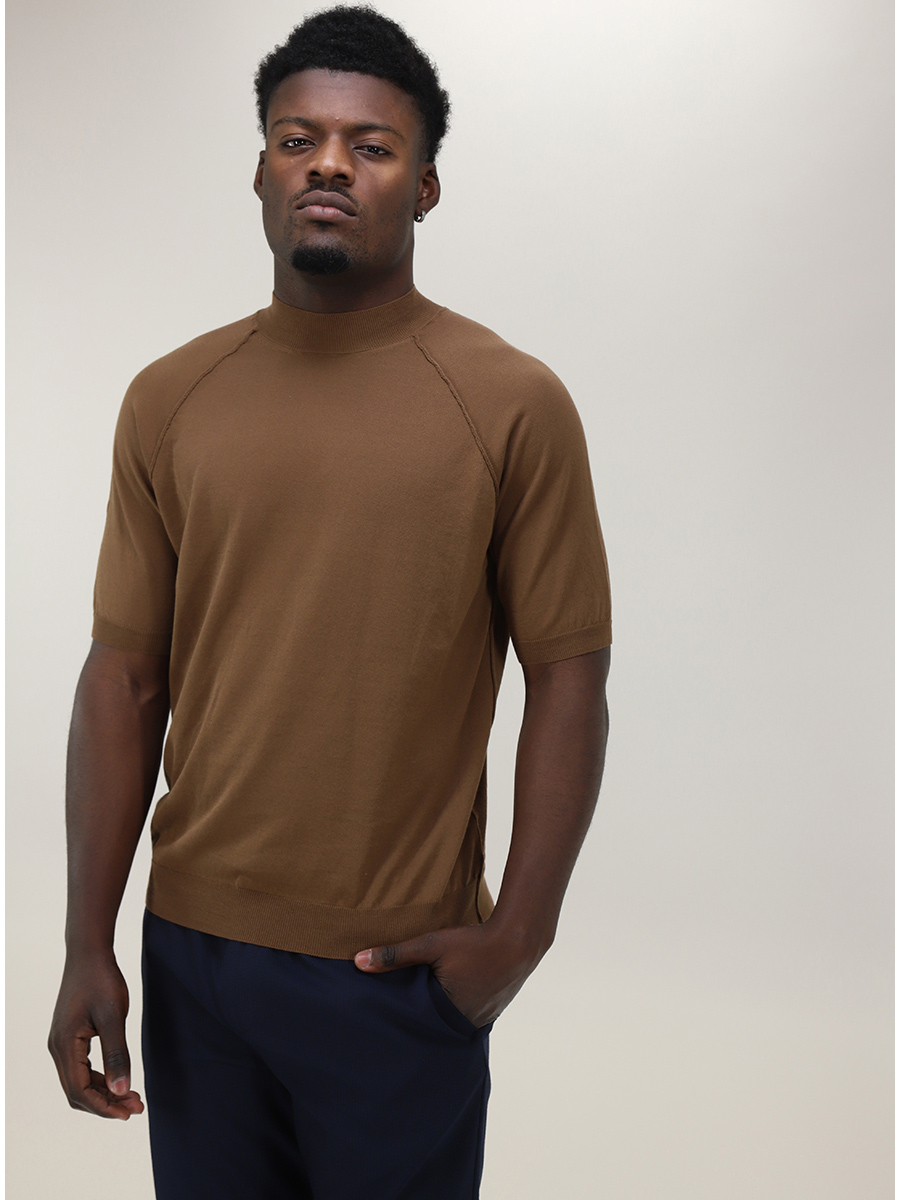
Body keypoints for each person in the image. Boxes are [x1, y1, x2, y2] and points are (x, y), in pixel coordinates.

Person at [47, 6, 612, 1198]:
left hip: (393, 971)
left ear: (426, 187)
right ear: (260, 170)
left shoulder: (510, 403)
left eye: (372, 145)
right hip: (194, 957)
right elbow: (124, 675)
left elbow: (568, 671)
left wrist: (519, 932)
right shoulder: (170, 398)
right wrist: (88, 939)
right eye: (298, 139)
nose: (329, 165)